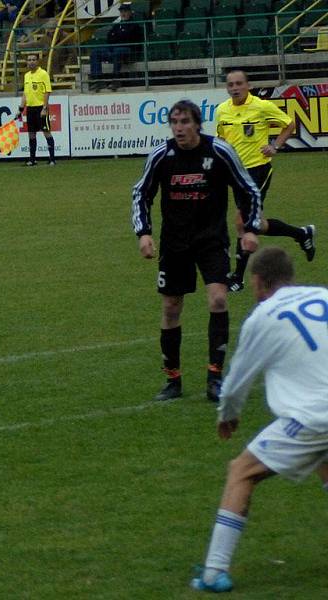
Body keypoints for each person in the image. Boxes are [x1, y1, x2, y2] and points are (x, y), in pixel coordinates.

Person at [190, 247, 328, 593]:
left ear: (259, 281)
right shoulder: (323, 295)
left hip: (313, 417)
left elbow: (237, 379)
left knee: (241, 471)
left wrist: (227, 416)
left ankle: (213, 572)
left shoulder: (263, 315)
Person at [131, 100, 262, 403]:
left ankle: (215, 377)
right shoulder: (162, 156)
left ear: (197, 124)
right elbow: (141, 193)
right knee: (171, 308)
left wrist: (251, 227)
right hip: (175, 243)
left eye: (185, 122)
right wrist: (144, 233)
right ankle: (173, 379)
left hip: (211, 240)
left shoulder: (219, 151)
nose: (179, 128)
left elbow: (248, 189)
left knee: (217, 299)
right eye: (174, 122)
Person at [215, 69, 316, 293]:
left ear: (247, 86)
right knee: (257, 224)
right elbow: (222, 140)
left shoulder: (261, 106)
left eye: (239, 83)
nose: (234, 88)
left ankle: (238, 278)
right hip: (236, 173)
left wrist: (275, 146)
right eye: (230, 84)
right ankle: (302, 234)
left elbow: (289, 124)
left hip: (258, 171)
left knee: (243, 222)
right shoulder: (222, 110)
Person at [89, 2, 143, 92]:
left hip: (128, 52)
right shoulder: (117, 26)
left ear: (130, 12)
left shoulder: (135, 25)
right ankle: (98, 80)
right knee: (95, 52)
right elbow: (110, 38)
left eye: (125, 11)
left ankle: (116, 79)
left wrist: (118, 37)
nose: (123, 13)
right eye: (121, 11)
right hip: (114, 50)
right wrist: (120, 36)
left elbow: (130, 39)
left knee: (118, 51)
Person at [18, 53, 56, 166]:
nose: (31, 62)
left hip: (41, 108)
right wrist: (21, 108)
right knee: (31, 134)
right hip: (30, 109)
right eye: (29, 60)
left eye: (33, 59)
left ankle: (52, 159)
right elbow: (25, 93)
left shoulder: (43, 74)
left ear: (37, 61)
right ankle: (32, 159)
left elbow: (47, 91)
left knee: (46, 132)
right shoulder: (26, 75)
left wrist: (44, 107)